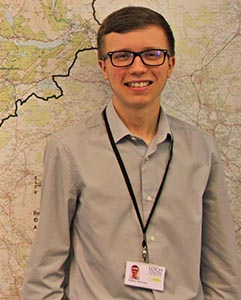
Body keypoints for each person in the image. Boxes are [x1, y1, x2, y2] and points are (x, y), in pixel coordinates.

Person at [21, 6, 240, 299]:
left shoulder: (202, 149)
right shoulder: (69, 149)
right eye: (122, 56)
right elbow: (45, 268)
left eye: (152, 54)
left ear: (170, 63)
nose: (138, 68)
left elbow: (221, 269)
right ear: (103, 66)